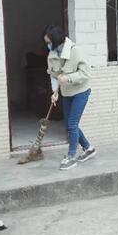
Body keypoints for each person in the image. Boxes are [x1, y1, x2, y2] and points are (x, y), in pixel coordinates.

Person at [44, 25, 96, 171]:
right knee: (70, 123)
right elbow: (54, 75)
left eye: (48, 42)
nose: (47, 45)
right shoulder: (52, 54)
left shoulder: (75, 51)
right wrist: (55, 92)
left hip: (81, 91)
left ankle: (71, 157)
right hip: (66, 93)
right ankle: (88, 148)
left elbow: (85, 74)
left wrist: (68, 78)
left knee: (72, 124)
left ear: (56, 40)